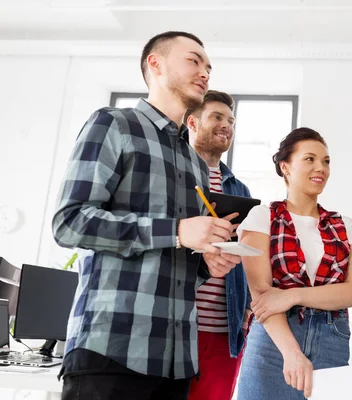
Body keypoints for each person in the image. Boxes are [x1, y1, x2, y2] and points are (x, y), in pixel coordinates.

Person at [52, 31, 241, 400]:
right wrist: (176, 231)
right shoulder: (112, 124)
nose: (205, 72)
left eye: (209, 67)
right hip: (112, 350)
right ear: (155, 63)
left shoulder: (196, 164)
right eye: (194, 61)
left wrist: (210, 263)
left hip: (177, 363)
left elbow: (183, 260)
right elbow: (69, 222)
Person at [235, 128, 352, 399]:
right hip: (274, 342)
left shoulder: (345, 224)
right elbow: (263, 295)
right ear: (285, 167)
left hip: (332, 339)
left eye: (326, 161)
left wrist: (292, 295)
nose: (321, 168)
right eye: (310, 159)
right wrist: (292, 354)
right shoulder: (261, 216)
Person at [185, 90, 252, 400]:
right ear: (192, 122)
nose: (227, 125)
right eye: (217, 117)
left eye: (231, 121)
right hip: (178, 326)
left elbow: (244, 254)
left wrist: (249, 304)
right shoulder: (175, 177)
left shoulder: (239, 189)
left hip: (225, 333)